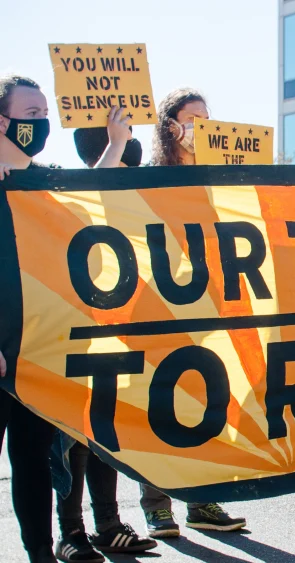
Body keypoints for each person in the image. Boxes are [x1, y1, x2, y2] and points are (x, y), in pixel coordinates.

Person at [49, 119, 157, 563]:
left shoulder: (139, 199)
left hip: (120, 335)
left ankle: (108, 525)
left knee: (105, 434)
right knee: (72, 436)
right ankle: (70, 531)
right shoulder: (63, 190)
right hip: (73, 334)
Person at [140, 88, 247, 536]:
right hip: (158, 309)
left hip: (209, 308)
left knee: (208, 403)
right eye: (192, 118)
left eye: (207, 118)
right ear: (170, 127)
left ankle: (202, 501)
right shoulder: (147, 177)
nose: (201, 127)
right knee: (159, 406)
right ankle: (156, 504)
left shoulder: (215, 177)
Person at [0, 74, 60, 563]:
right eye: (30, 114)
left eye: (44, 114)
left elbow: (98, 197)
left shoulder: (37, 184)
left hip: (36, 350)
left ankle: (41, 551)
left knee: (34, 459)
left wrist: (120, 142)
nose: (40, 123)